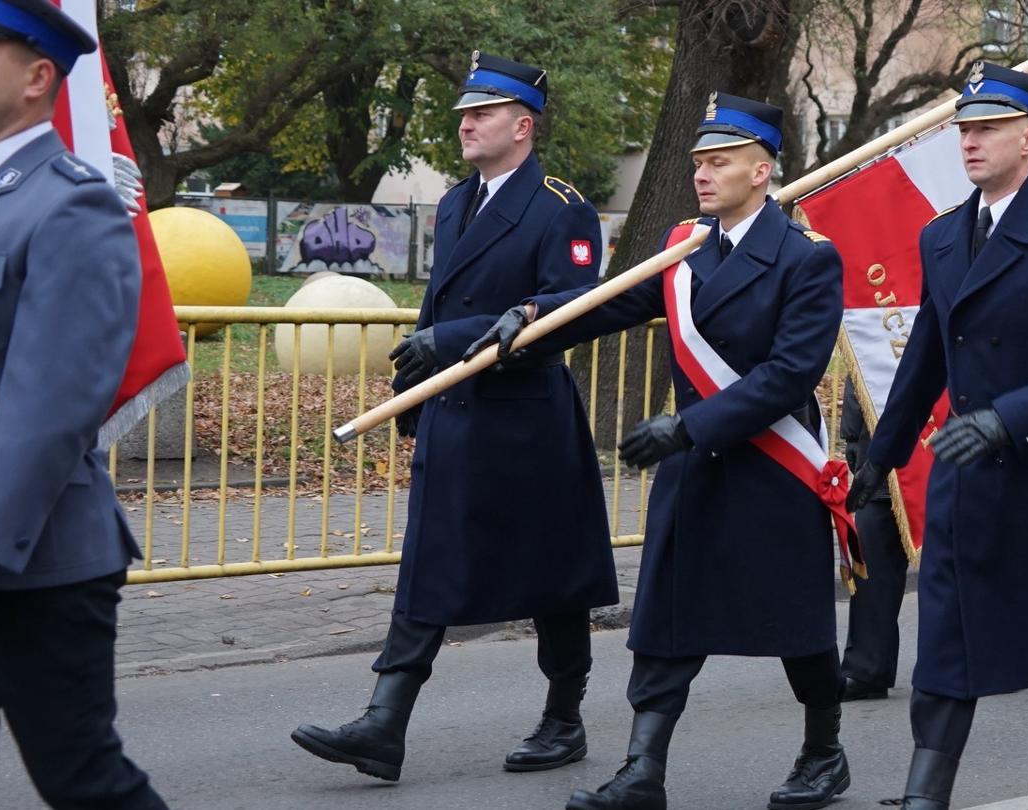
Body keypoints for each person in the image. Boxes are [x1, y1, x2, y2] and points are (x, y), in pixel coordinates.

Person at [472, 91, 852, 810]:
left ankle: (824, 752)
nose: (702, 175)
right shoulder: (686, 247)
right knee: (668, 622)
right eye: (699, 162)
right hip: (698, 473)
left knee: (796, 623)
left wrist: (687, 426)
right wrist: (530, 317)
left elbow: (790, 373)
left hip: (773, 465)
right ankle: (644, 770)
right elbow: (610, 301)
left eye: (721, 162)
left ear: (762, 172)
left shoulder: (807, 259)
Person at [291, 51, 618, 783]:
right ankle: (385, 722)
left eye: (483, 112)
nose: (466, 123)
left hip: (528, 422)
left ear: (523, 125)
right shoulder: (455, 202)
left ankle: (563, 717)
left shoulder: (562, 208)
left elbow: (572, 310)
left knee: (553, 577)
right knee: (428, 563)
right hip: (457, 414)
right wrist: (427, 372)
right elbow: (443, 303)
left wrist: (458, 338)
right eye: (465, 113)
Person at [845, 62, 1028, 809]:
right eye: (965, 130)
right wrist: (877, 461)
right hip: (964, 480)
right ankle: (926, 792)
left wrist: (1009, 418)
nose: (971, 143)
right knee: (948, 640)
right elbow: (926, 358)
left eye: (988, 129)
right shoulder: (944, 236)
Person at [0, 3, 169, 806]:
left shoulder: (71, 204)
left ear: (37, 78)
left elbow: (48, 408)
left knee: (84, 778)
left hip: (37, 560)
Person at [838, 393, 911, 703]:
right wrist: (852, 435)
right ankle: (867, 669)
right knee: (872, 560)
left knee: (970, 561)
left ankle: (994, 653)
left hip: (945, 449)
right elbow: (861, 367)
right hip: (882, 456)